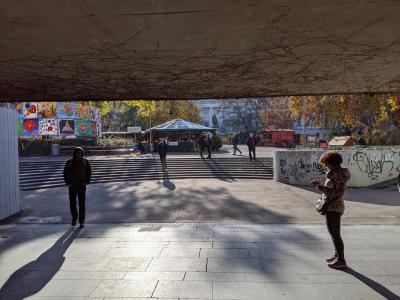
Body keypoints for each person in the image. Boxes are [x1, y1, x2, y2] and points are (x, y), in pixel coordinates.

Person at [312, 151, 351, 269]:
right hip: (331, 206)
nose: (325, 166)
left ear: (332, 163)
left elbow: (338, 192)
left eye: (326, 163)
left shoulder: (338, 174)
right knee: (333, 233)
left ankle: (341, 260)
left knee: (335, 234)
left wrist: (321, 187)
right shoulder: (335, 172)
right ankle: (336, 255)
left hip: (334, 206)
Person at [63, 147, 92, 228]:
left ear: (82, 154)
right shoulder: (69, 162)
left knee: (81, 204)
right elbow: (65, 173)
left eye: (80, 153)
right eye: (77, 153)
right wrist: (67, 182)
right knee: (72, 204)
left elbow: (89, 172)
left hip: (82, 186)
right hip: (72, 186)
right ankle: (74, 219)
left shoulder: (85, 162)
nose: (79, 154)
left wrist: (87, 182)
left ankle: (82, 221)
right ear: (74, 153)